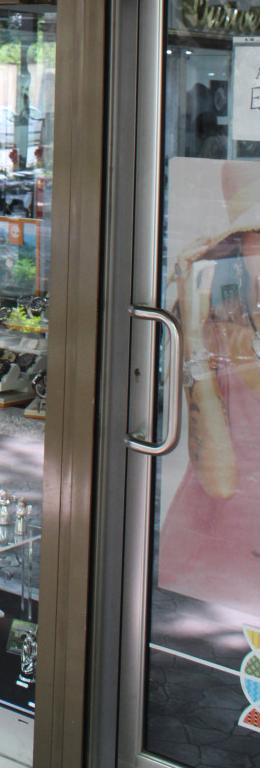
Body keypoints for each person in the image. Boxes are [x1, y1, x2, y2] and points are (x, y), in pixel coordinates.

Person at [160, 159, 260, 612]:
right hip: (213, 567)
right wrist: (193, 328)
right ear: (240, 246)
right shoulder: (215, 337)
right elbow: (219, 481)